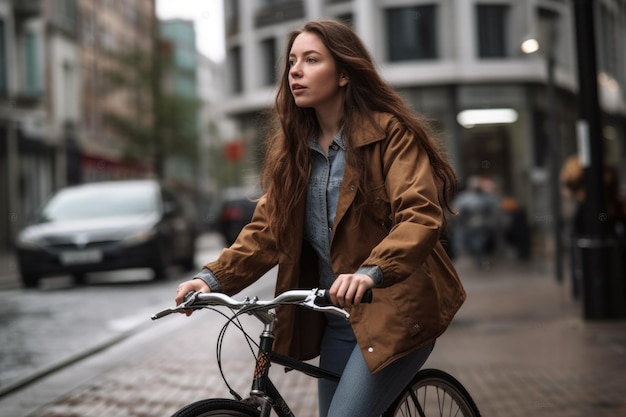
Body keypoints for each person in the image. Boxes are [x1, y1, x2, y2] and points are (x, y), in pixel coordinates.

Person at [175, 20, 465, 417]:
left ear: (344, 73)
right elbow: (265, 232)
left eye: (311, 60)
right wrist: (209, 279)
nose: (295, 70)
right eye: (292, 61)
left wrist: (370, 271)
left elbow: (418, 216)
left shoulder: (390, 134)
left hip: (395, 312)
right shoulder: (295, 152)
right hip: (335, 319)